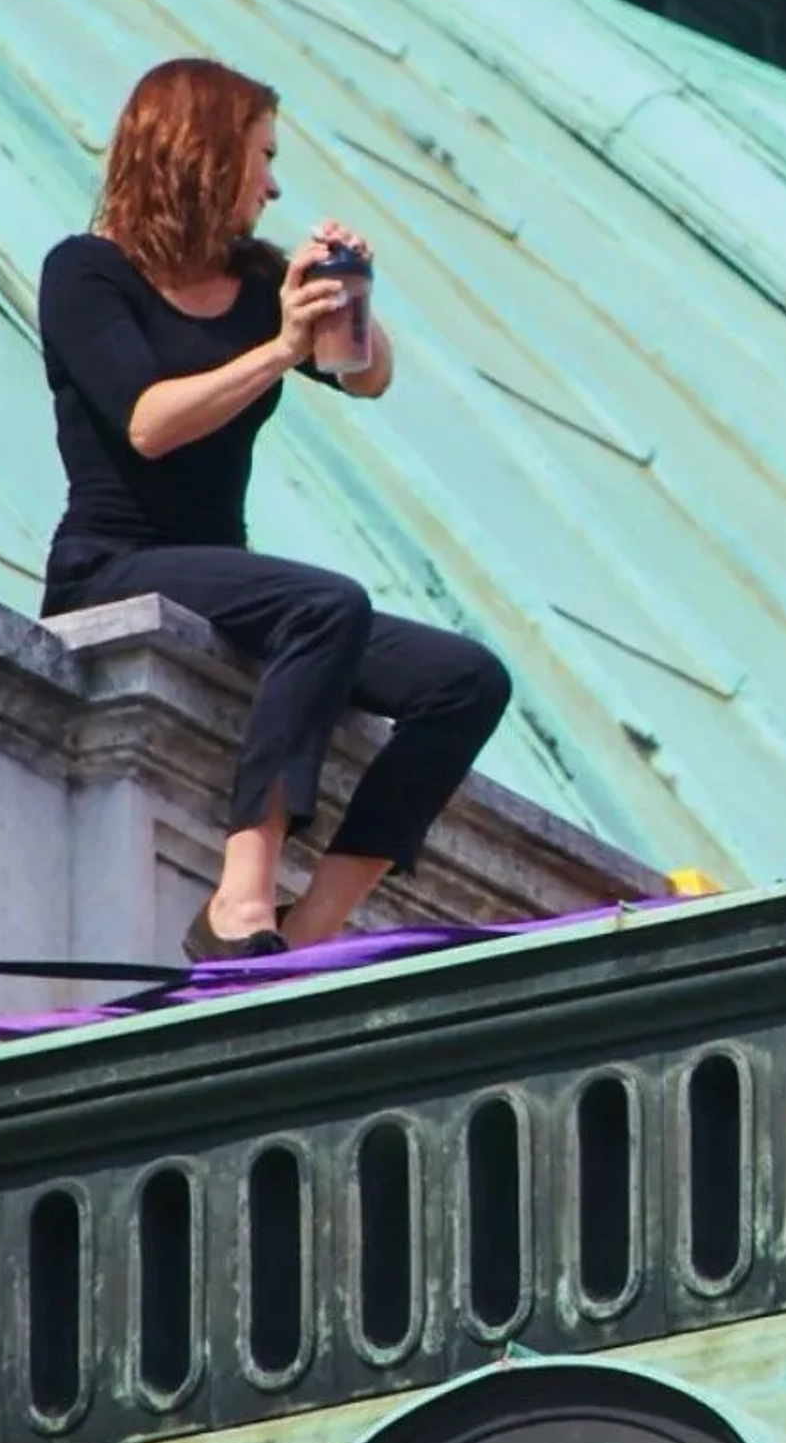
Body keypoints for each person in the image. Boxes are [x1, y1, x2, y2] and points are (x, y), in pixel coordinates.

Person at [39, 58, 511, 960]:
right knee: (325, 600)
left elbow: (363, 378)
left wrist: (345, 300)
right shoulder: (88, 273)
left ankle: (310, 930)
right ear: (205, 154)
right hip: (112, 564)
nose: (273, 182)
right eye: (262, 156)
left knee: (465, 681)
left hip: (225, 573)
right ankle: (240, 898)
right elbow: (148, 424)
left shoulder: (258, 284)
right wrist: (281, 346)